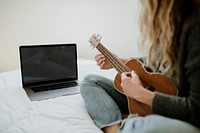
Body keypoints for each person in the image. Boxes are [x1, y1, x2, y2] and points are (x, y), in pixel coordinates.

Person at [80, 0, 200, 133]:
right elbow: (157, 62)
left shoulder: (194, 27)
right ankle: (115, 128)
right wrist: (119, 61)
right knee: (90, 82)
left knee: (145, 126)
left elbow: (195, 109)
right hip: (154, 96)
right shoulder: (171, 24)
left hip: (179, 113)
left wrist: (139, 93)